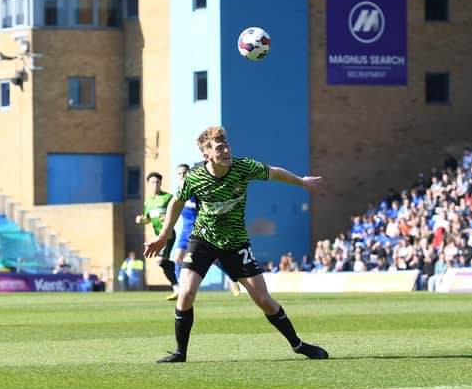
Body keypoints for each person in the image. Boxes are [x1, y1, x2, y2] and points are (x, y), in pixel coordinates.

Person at [144, 126, 328, 362]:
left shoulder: (243, 167)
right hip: (203, 240)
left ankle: (299, 345)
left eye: (227, 145)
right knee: (186, 293)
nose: (226, 151)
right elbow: (176, 202)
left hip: (236, 243)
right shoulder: (195, 178)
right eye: (219, 148)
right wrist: (163, 235)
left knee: (263, 300)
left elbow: (274, 173)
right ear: (206, 155)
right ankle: (180, 353)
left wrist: (302, 182)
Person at [173, 163, 241, 297]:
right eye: (180, 174)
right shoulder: (178, 194)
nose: (182, 176)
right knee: (177, 258)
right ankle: (179, 289)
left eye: (185, 173)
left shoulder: (197, 192)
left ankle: (233, 278)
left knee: (214, 260)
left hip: (200, 230)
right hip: (185, 231)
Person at [136, 172, 178, 300]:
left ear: (161, 183)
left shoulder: (168, 197)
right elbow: (148, 219)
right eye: (153, 182)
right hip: (157, 236)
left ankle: (179, 284)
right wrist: (141, 220)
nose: (155, 184)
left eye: (158, 182)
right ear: (148, 184)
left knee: (160, 261)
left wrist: (168, 217)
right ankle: (179, 285)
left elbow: (177, 211)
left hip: (168, 234)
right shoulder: (148, 202)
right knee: (162, 262)